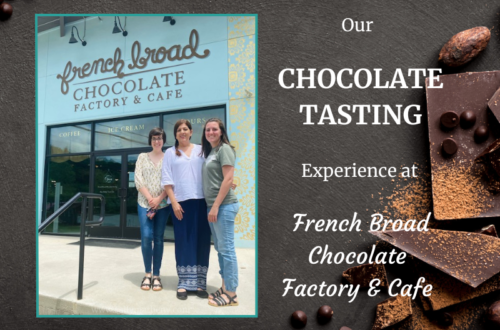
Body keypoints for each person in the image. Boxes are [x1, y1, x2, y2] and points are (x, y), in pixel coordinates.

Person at [161, 119, 211, 300]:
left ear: (191, 132)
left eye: (185, 129)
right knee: (184, 240)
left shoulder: (201, 150)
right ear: (175, 134)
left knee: (202, 241)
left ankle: (199, 283)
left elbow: (212, 170)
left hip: (202, 201)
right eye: (179, 130)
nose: (182, 132)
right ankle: (183, 283)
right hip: (181, 203)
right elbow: (166, 179)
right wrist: (173, 202)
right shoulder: (170, 153)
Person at [201, 118, 240, 307]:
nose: (210, 132)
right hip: (214, 206)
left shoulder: (224, 149)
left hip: (223, 206)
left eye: (214, 129)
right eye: (208, 129)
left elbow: (228, 179)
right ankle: (224, 287)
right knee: (221, 250)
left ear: (221, 131)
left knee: (227, 250)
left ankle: (231, 293)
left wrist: (216, 205)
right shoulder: (212, 151)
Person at [135, 127, 169, 291]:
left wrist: (159, 199)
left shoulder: (168, 157)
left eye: (160, 138)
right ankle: (147, 273)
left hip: (163, 204)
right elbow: (138, 180)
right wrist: (150, 199)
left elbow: (171, 181)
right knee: (147, 237)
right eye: (154, 138)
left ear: (164, 140)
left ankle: (156, 275)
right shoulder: (142, 157)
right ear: (150, 140)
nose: (157, 141)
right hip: (144, 203)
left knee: (159, 238)